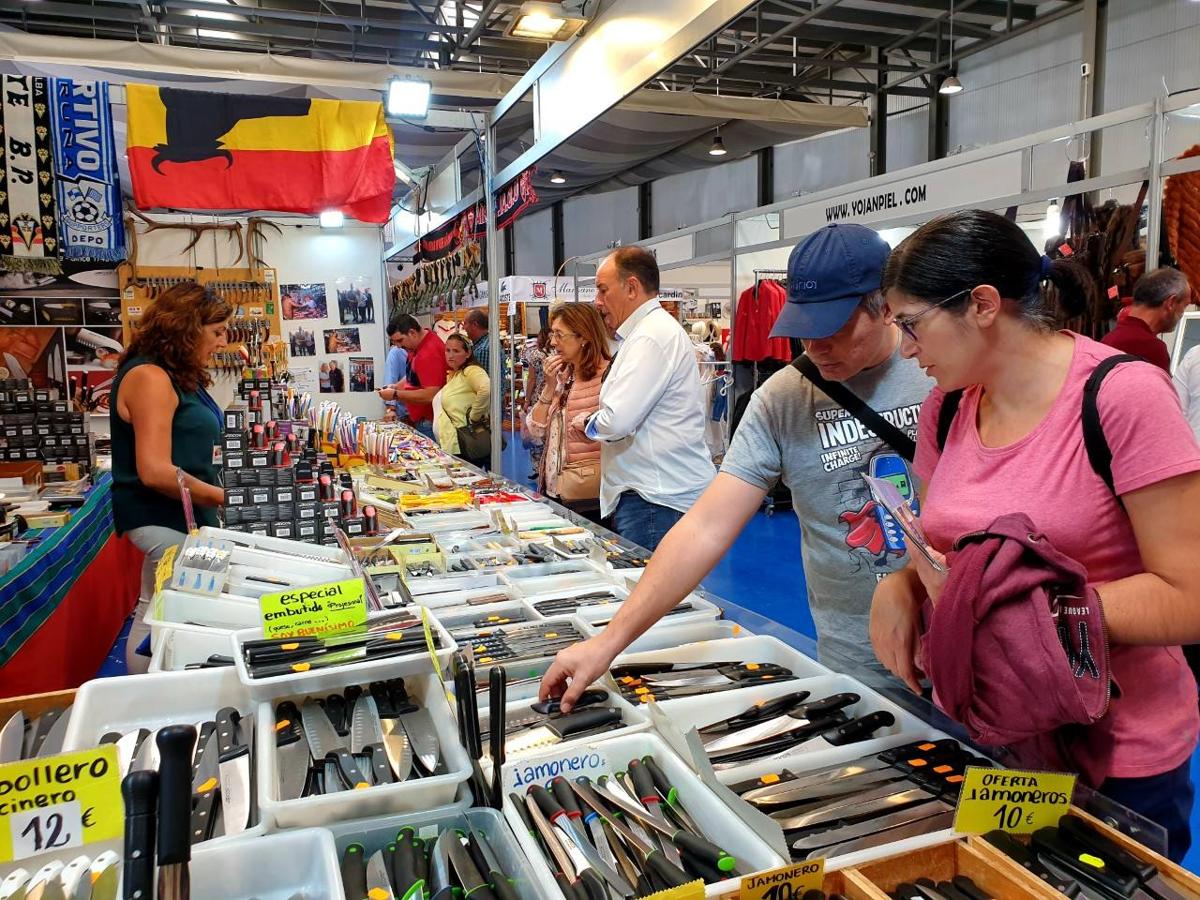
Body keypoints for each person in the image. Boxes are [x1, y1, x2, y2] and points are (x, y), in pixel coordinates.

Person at [869, 209, 1200, 861]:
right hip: (987, 726)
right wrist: (904, 583)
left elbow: (1189, 596)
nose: (906, 348)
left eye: (912, 324)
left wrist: (1022, 616)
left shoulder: (1123, 398)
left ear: (984, 305)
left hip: (1115, 755)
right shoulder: (950, 407)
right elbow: (949, 548)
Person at [540, 225, 933, 710]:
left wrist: (913, 578)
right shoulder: (782, 399)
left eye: (833, 329)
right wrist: (606, 643)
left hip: (975, 651)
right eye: (803, 331)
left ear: (886, 306)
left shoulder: (939, 371)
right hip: (862, 660)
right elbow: (705, 526)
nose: (815, 347)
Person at [110, 281, 229, 673]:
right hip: (166, 518)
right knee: (165, 614)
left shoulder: (169, 374)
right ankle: (149, 695)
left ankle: (145, 692)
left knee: (155, 606)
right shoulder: (150, 377)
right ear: (187, 328)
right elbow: (155, 470)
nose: (222, 342)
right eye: (215, 333)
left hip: (182, 517)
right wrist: (222, 496)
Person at [582, 246, 715, 550]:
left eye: (603, 290)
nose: (597, 301)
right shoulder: (646, 333)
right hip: (655, 496)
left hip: (656, 500)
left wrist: (588, 423)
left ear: (632, 287)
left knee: (652, 593)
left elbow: (617, 421)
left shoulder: (650, 336)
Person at [527, 304, 611, 520]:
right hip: (555, 488)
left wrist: (586, 423)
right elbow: (535, 432)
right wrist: (548, 386)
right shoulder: (563, 375)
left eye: (559, 334)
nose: (552, 341)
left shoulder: (607, 377)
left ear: (583, 336)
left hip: (588, 494)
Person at [1100, 267, 1193, 372]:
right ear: (1171, 303)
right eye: (1184, 306)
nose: (1182, 314)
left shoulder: (1108, 339)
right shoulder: (1151, 348)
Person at [380, 314, 448, 440]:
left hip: (429, 422)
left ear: (412, 332)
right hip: (423, 420)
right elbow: (413, 374)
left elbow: (431, 394)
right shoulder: (419, 345)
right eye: (394, 342)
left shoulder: (428, 353)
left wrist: (395, 394)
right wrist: (397, 386)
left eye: (400, 340)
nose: (398, 346)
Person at [435, 333, 491, 468]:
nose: (450, 355)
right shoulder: (458, 374)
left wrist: (474, 416)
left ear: (467, 353)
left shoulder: (472, 371)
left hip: (465, 442)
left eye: (456, 351)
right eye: (447, 350)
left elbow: (486, 388)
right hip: (455, 444)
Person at [523, 327, 551, 478]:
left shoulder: (535, 355)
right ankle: (548, 467)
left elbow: (532, 378)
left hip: (538, 397)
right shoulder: (557, 354)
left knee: (535, 433)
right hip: (554, 395)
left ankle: (537, 467)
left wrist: (527, 400)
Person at [464, 308, 505, 378]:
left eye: (465, 323)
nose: (463, 327)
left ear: (474, 325)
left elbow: (480, 382)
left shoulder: (483, 350)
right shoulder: (487, 342)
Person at [383, 320, 410, 421]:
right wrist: (391, 409)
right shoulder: (396, 352)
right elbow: (390, 379)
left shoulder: (415, 352)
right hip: (403, 413)